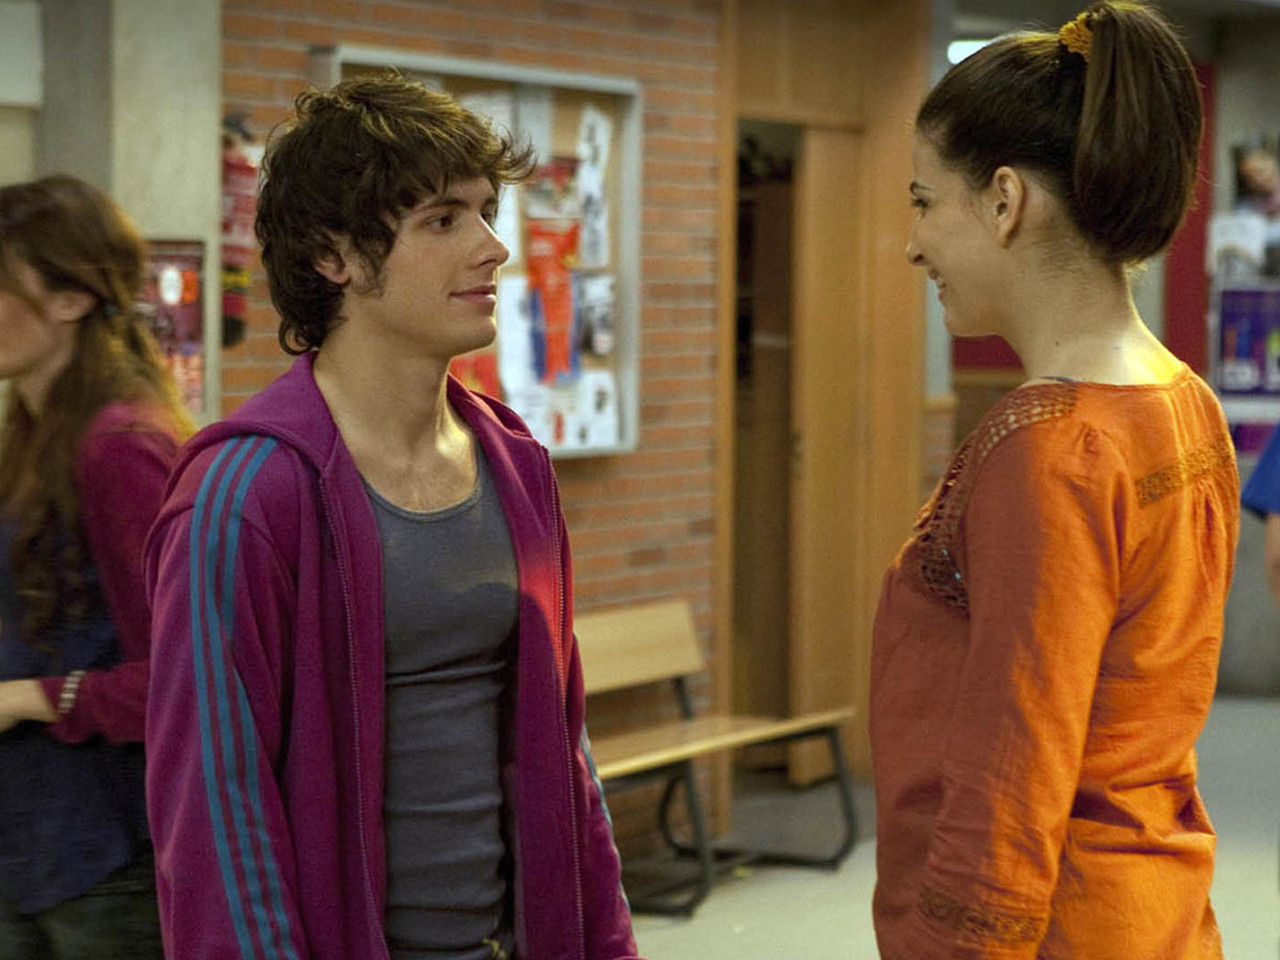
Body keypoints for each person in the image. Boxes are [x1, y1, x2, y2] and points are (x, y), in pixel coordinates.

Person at [145, 74, 644, 960]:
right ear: (334, 256)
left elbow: (564, 756)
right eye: (443, 220)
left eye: (486, 212)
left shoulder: (515, 463)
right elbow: (215, 815)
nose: (494, 248)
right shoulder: (244, 496)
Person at [871, 4, 1237, 959]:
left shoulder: (1052, 449)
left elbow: (1011, 772)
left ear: (1004, 201)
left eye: (923, 202)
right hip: (1155, 909)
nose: (913, 245)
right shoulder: (1185, 402)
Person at [0, 175, 190, 958]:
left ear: (72, 298)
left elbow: (184, 680)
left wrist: (27, 698)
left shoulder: (120, 448)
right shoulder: (32, 430)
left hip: (104, 854)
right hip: (33, 842)